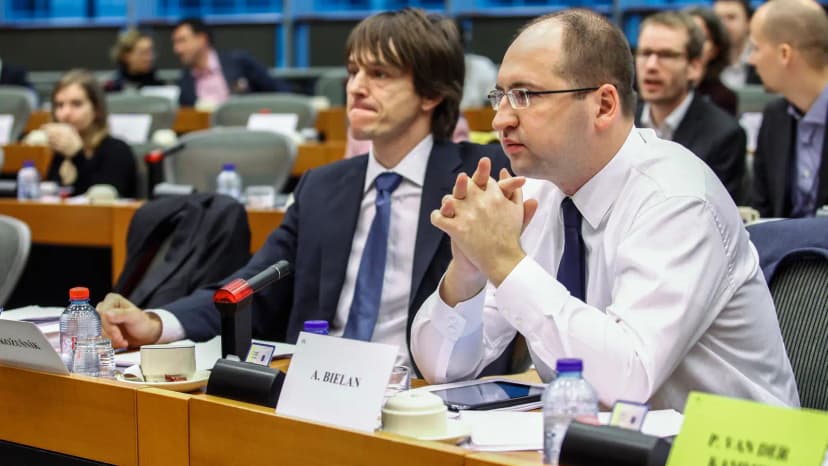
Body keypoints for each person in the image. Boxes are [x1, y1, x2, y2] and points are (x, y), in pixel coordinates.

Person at [410, 9, 798, 412]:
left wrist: (503, 260)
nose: (501, 119)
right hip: (596, 435)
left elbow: (628, 378)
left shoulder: (676, 199)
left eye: (524, 95)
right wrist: (469, 269)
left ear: (604, 105)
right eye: (500, 96)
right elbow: (442, 369)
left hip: (726, 440)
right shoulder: (539, 193)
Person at [97, 9, 513, 372]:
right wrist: (157, 323)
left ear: (432, 93)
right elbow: (252, 287)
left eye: (379, 74)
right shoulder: (322, 186)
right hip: (316, 388)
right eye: (353, 71)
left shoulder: (479, 179)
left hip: (424, 395)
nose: (356, 87)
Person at [634, 11, 746, 203]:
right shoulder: (620, 123)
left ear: (694, 67)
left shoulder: (724, 135)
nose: (651, 65)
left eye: (666, 55)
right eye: (645, 53)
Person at [748, 0, 828, 219]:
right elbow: (761, 212)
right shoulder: (774, 117)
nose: (751, 60)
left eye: (756, 48)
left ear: (785, 54)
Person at [44, 69, 137, 198]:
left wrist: (77, 156)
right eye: (59, 105)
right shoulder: (57, 153)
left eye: (76, 104)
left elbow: (101, 198)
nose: (65, 113)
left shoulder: (117, 150)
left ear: (97, 109)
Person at [172, 18, 288, 107]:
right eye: (175, 43)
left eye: (182, 41)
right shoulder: (185, 81)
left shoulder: (238, 62)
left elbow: (279, 90)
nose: (177, 49)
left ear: (202, 39)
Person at [686, 6, 738, 116]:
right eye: (687, 36)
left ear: (715, 50)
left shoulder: (723, 99)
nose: (691, 45)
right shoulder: (660, 89)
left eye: (699, 38)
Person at [713, 0, 762, 88]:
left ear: (748, 22)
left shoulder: (763, 59)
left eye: (731, 17)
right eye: (718, 18)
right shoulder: (707, 61)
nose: (724, 25)